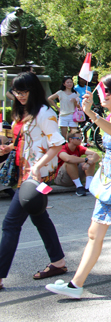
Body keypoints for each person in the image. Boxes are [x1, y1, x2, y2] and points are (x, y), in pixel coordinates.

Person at [46, 73, 111, 299]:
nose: (102, 95)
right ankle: (76, 285)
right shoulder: (108, 116)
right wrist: (89, 111)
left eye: (107, 91)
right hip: (109, 181)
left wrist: (90, 113)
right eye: (101, 91)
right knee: (94, 232)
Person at [0, 72, 67, 290]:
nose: (20, 95)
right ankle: (58, 262)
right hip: (23, 172)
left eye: (24, 91)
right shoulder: (23, 111)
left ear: (34, 90)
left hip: (36, 176)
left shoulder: (45, 112)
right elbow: (25, 141)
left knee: (11, 224)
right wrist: (9, 148)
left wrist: (37, 167)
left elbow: (57, 144)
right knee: (39, 217)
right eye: (17, 91)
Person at [54, 128, 100, 196]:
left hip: (75, 175)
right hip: (62, 179)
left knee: (91, 157)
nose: (81, 140)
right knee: (70, 162)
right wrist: (86, 160)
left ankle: (88, 186)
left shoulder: (79, 147)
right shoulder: (62, 148)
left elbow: (96, 155)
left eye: (81, 138)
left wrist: (89, 162)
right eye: (78, 138)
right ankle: (79, 187)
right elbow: (67, 159)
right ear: (71, 140)